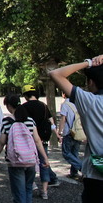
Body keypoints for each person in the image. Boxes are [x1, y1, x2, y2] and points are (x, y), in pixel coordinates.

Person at [49, 55, 103, 203]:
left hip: (97, 174)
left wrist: (89, 62)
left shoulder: (91, 102)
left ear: (91, 82)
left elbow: (55, 74)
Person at [0, 94, 50, 202]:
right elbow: (37, 140)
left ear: (9, 106)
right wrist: (45, 158)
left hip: (15, 161)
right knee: (28, 189)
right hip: (30, 160)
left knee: (19, 193)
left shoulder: (7, 122)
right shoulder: (30, 121)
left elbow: (1, 142)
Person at [21, 85, 60, 196]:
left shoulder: (24, 107)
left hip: (28, 141)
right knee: (44, 163)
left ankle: (32, 184)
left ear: (25, 95)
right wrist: (57, 134)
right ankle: (45, 192)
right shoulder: (44, 106)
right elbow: (51, 122)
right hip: (42, 140)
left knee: (29, 163)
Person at [58, 91, 82, 179]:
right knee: (74, 153)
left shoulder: (65, 104)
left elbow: (63, 119)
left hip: (69, 132)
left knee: (66, 153)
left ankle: (81, 167)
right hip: (78, 132)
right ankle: (73, 173)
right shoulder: (78, 103)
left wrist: (60, 132)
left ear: (63, 94)